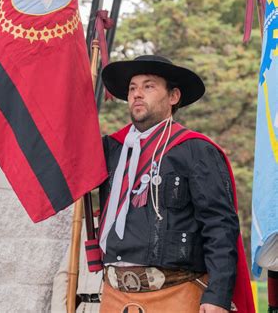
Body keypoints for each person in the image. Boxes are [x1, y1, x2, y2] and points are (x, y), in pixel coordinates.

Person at [95, 55, 254, 313]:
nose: (137, 94)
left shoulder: (196, 150)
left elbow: (219, 226)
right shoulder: (111, 150)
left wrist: (218, 296)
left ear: (173, 97)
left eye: (148, 86)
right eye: (132, 88)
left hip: (176, 295)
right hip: (114, 297)